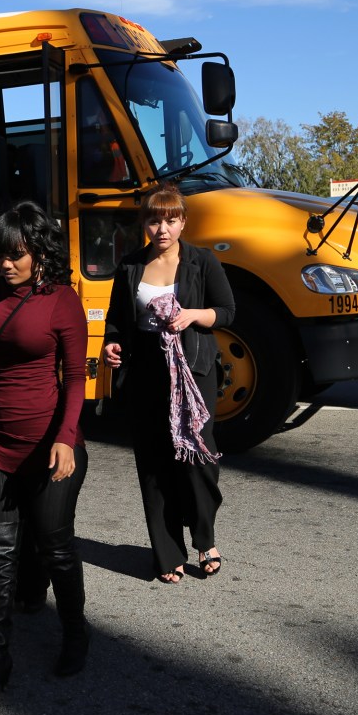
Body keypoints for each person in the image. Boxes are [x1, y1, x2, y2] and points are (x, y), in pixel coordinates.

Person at [0, 200, 90, 707]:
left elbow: (75, 377)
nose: (4, 263)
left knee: (55, 548)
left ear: (39, 251)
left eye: (16, 254)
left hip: (50, 443)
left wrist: (66, 436)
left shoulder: (62, 299)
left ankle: (76, 633)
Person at [102, 182, 235, 584]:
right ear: (145, 222)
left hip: (193, 373)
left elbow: (227, 312)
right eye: (155, 220)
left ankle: (205, 538)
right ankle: (166, 552)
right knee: (154, 464)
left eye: (171, 220)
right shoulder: (129, 266)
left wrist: (194, 315)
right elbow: (116, 320)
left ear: (183, 222)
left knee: (198, 457)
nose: (162, 228)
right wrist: (111, 344)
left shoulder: (202, 261)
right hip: (144, 373)